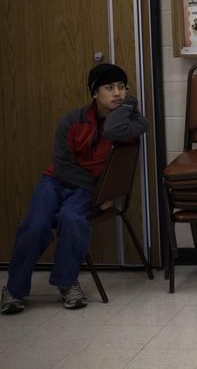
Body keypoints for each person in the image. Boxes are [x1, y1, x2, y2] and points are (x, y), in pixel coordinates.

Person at [1, 63, 148, 314]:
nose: (117, 93)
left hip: (85, 191)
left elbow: (113, 130)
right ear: (94, 93)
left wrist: (129, 105)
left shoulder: (132, 123)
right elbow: (61, 165)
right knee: (35, 223)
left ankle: (67, 283)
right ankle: (14, 289)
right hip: (57, 182)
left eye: (122, 88)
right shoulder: (71, 121)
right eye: (109, 88)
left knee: (72, 218)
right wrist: (99, 193)